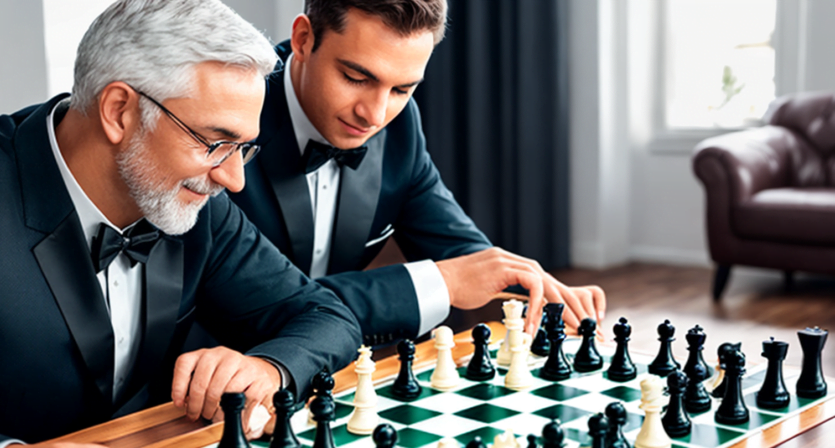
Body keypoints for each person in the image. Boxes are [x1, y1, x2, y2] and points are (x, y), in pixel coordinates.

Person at [0, 0, 360, 448]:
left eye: (243, 148)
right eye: (215, 142)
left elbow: (325, 316)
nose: (234, 180)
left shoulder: (199, 206)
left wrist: (268, 368)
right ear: (119, 110)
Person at [233, 0, 606, 347]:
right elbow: (260, 305)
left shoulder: (400, 126)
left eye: (401, 89)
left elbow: (459, 248)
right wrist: (441, 282)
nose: (375, 116)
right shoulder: (226, 119)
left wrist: (531, 283)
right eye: (355, 78)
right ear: (303, 39)